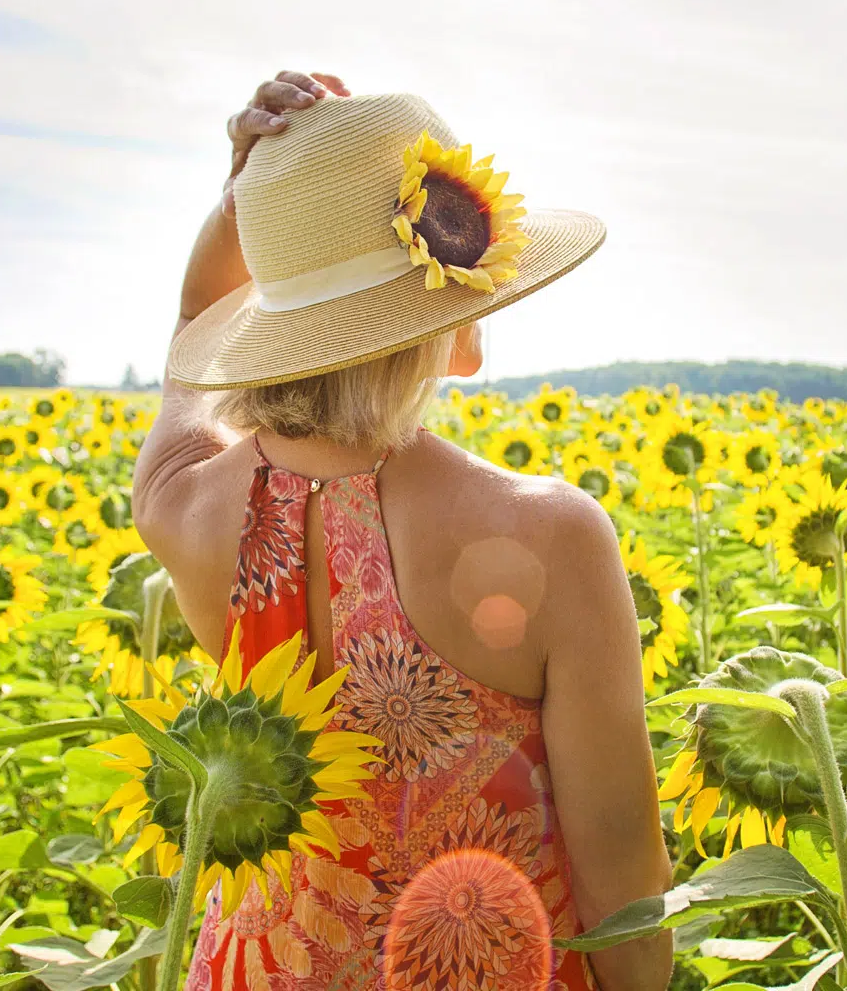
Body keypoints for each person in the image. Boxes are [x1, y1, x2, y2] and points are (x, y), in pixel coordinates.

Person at [134, 69, 672, 991]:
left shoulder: (184, 503)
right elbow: (620, 875)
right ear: (450, 310)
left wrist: (244, 202)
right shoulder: (549, 536)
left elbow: (196, 326)